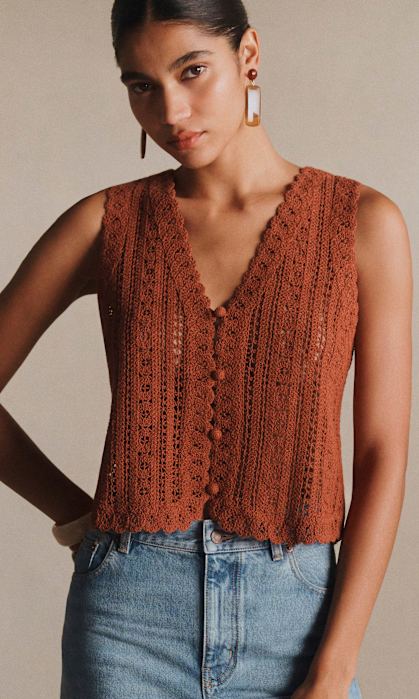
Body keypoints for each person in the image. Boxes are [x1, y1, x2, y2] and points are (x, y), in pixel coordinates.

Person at [0, 1, 412, 698]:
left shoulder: (361, 226)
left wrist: (336, 665)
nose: (169, 110)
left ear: (248, 56)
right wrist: (74, 514)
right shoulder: (107, 224)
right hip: (127, 622)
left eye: (192, 71)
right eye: (142, 85)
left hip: (297, 619)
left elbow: (381, 455)